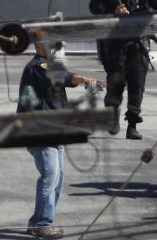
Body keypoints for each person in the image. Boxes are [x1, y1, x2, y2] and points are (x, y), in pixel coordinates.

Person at [18, 43, 101, 239]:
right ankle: (40, 223)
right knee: (50, 175)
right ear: (40, 47)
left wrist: (85, 82)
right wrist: (85, 80)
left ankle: (43, 220)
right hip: (39, 132)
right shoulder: (36, 67)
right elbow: (62, 78)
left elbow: (65, 77)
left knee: (58, 177)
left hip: (56, 131)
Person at [88, 0, 157, 140]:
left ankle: (132, 124)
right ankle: (112, 116)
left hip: (139, 41)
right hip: (115, 41)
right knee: (116, 80)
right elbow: (94, 6)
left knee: (138, 82)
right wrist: (113, 10)